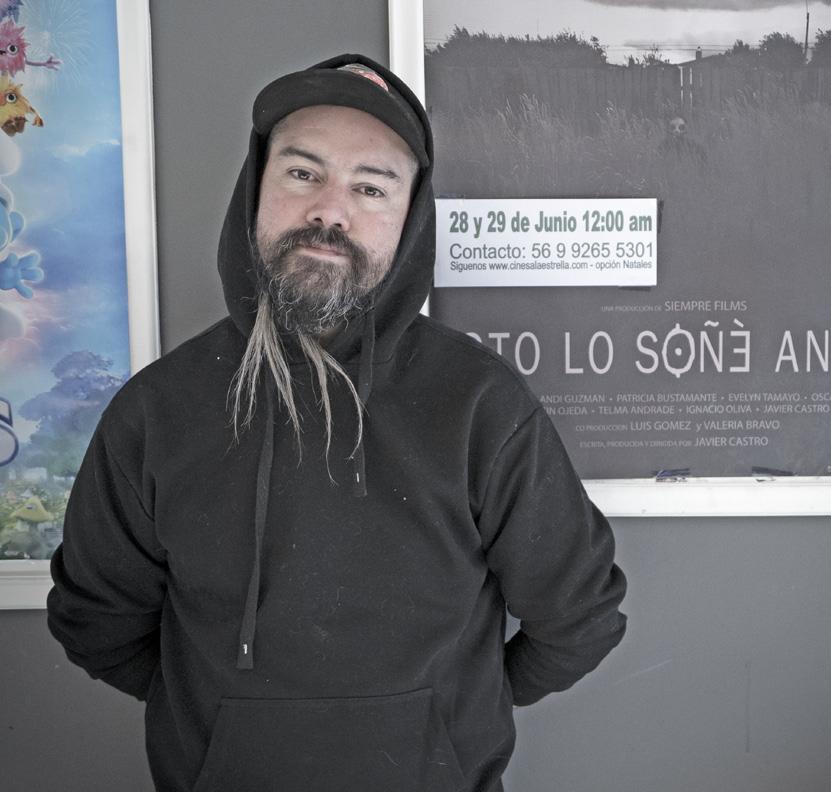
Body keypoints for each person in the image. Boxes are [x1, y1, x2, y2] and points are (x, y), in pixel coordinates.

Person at [47, 54, 627, 792]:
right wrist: (217, 725)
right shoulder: (157, 410)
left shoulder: (481, 405)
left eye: (370, 187)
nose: (329, 211)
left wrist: (447, 716)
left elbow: (579, 620)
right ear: (256, 188)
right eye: (302, 173)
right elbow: (96, 622)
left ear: (410, 220)